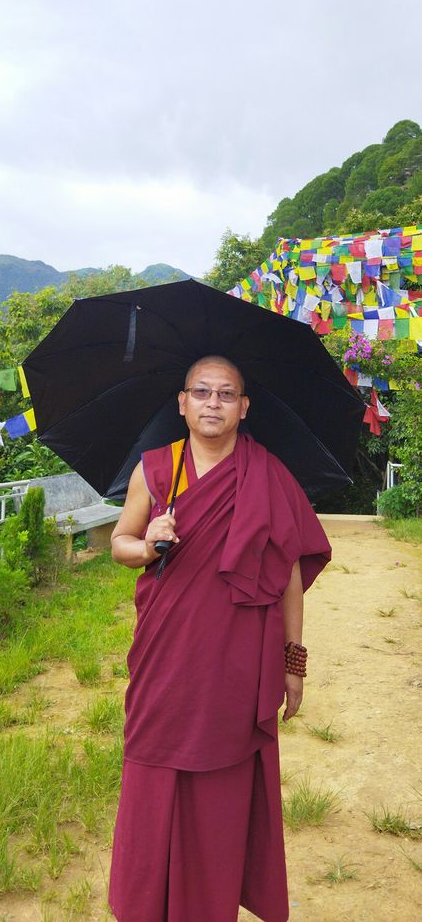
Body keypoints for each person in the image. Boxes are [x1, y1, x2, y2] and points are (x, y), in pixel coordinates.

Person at [108, 356, 331, 922]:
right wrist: (150, 541)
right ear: (181, 403)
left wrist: (293, 661)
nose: (213, 403)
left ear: (243, 407)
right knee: (154, 768)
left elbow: (286, 578)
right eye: (201, 392)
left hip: (236, 665)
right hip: (165, 658)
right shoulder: (154, 471)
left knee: (222, 784)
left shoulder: (269, 476)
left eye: (226, 394)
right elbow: (120, 544)